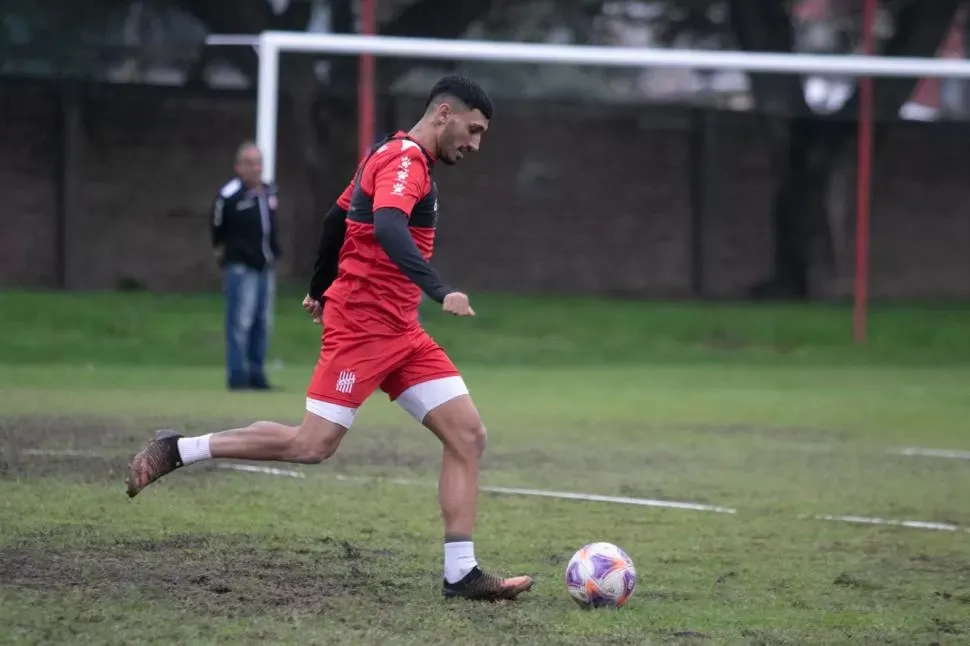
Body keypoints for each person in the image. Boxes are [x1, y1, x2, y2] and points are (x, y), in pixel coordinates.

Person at [125, 75, 534, 602]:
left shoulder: (387, 154)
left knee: (468, 436)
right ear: (442, 115)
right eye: (472, 130)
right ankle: (178, 449)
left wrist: (320, 286)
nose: (474, 144)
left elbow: (335, 217)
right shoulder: (405, 160)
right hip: (363, 329)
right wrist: (440, 289)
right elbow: (387, 227)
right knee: (311, 445)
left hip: (401, 331)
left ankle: (461, 573)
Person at [211, 142, 281, 391]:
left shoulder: (269, 192)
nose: (255, 169)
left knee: (263, 322)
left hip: (265, 266)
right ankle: (237, 376)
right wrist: (229, 256)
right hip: (240, 267)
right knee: (240, 322)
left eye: (258, 163)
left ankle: (257, 374)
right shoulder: (230, 195)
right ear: (239, 166)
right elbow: (217, 229)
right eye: (250, 163)